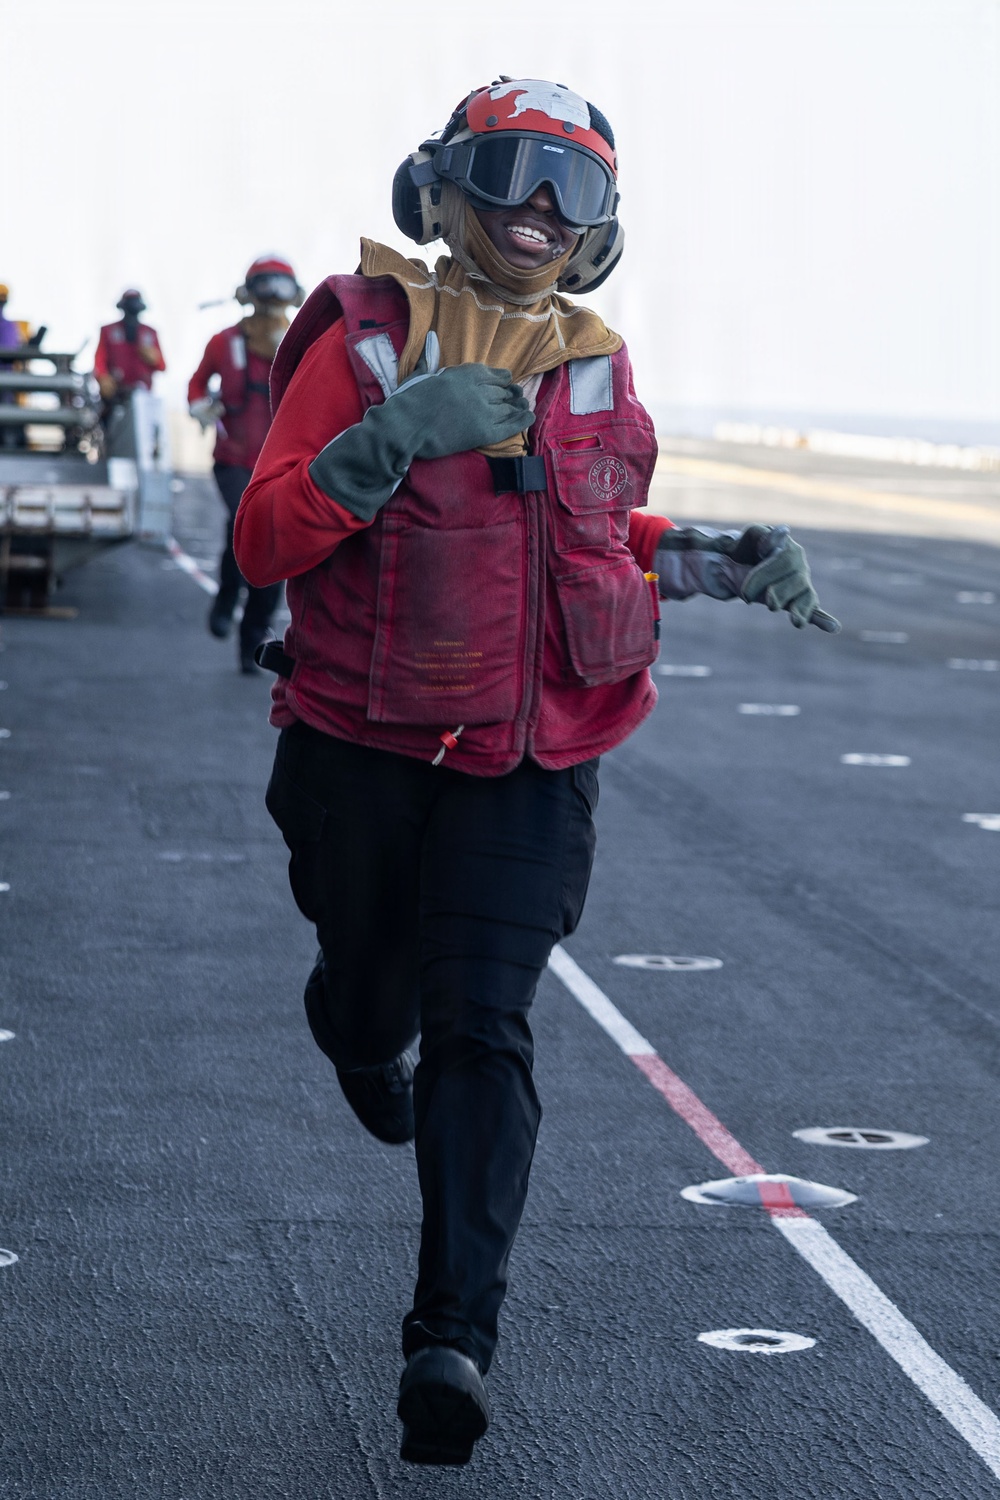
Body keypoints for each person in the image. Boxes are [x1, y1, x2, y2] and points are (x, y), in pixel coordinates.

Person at [234, 77, 839, 1467]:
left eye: (575, 189)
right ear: (443, 191)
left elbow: (603, 536)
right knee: (369, 997)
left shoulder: (597, 361)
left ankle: (453, 1335)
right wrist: (386, 443)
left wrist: (724, 557)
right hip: (365, 755)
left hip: (533, 761)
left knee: (486, 1028)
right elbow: (269, 538)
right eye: (515, 175)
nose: (542, 215)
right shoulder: (366, 341)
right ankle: (354, 1031)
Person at [188, 256, 304, 673]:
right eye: (265, 287)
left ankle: (252, 637)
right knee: (244, 519)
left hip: (281, 463)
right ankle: (225, 596)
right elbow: (196, 384)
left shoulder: (302, 342)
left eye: (282, 288)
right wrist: (203, 408)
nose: (273, 298)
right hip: (234, 459)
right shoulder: (224, 342)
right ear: (249, 293)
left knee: (273, 542)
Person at [93, 289, 165, 403]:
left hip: (143, 394)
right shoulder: (109, 331)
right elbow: (99, 359)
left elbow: (162, 366)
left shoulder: (149, 333)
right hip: (115, 393)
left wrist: (155, 358)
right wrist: (102, 377)